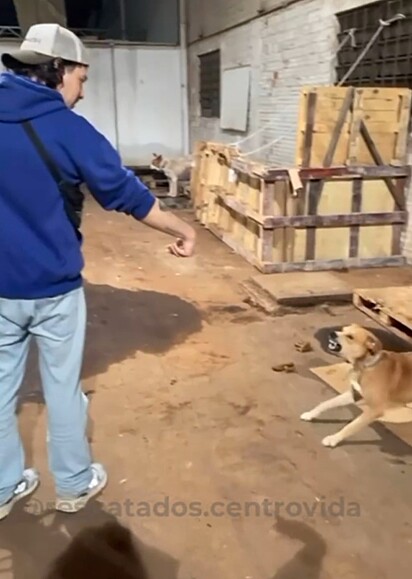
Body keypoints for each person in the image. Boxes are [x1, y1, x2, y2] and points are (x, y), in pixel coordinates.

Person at [0, 23, 196, 520]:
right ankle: (72, 483)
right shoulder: (68, 129)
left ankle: (3, 488)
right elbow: (125, 194)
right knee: (62, 386)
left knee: (1, 388)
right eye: (82, 80)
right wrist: (182, 229)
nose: (83, 92)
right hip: (54, 287)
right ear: (58, 71)